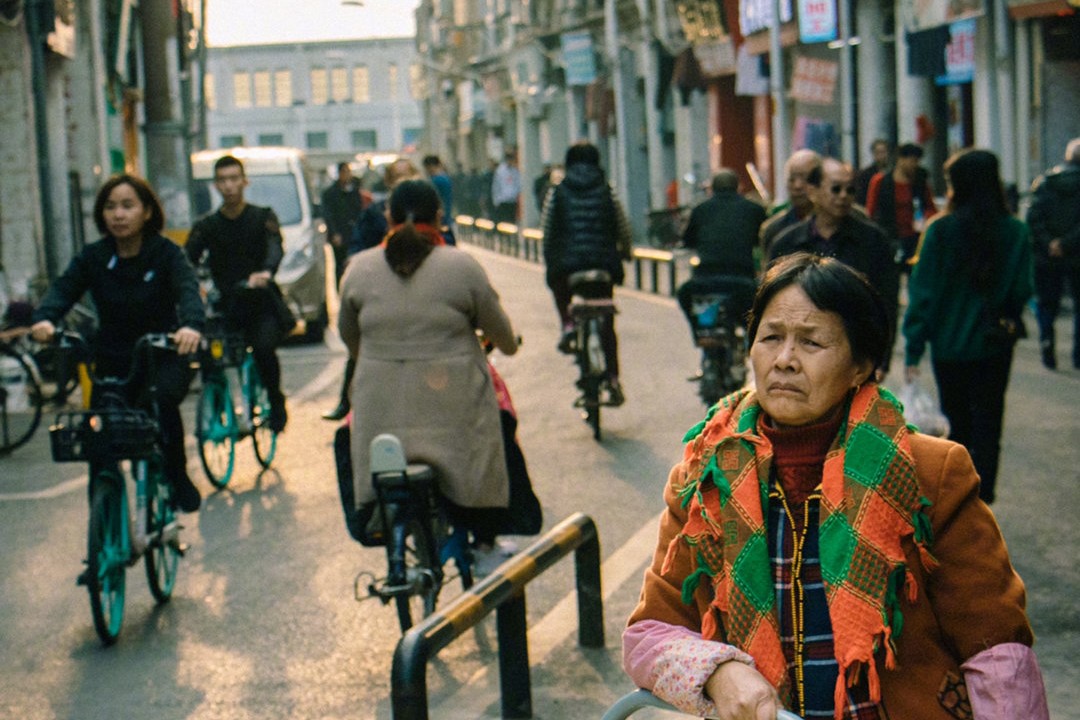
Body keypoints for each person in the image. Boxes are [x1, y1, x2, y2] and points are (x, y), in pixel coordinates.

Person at [622, 252, 1049, 720]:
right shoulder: (705, 476)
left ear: (861, 365)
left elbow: (996, 651)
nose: (784, 360)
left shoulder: (930, 472)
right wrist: (720, 670)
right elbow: (650, 633)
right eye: (770, 338)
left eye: (811, 342)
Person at [338, 179, 520, 567]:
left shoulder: (358, 270)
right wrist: (507, 343)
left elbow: (351, 341)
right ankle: (486, 540)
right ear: (439, 216)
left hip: (380, 417)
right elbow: (502, 337)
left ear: (387, 217)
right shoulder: (461, 266)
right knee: (499, 427)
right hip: (452, 412)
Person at [30, 174, 204, 513]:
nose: (118, 215)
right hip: (111, 359)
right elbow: (64, 288)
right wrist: (45, 319)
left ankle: (177, 474)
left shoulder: (166, 254)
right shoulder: (94, 256)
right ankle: (102, 548)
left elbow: (187, 290)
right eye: (110, 207)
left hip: (162, 353)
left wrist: (191, 327)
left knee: (163, 403)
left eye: (127, 206)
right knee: (100, 440)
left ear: (147, 212)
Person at [904, 148, 1034, 504]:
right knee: (990, 421)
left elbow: (923, 294)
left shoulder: (940, 231)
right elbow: (1023, 288)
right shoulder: (1016, 232)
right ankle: (984, 493)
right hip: (995, 344)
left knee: (956, 422)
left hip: (948, 347)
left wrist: (914, 348)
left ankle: (960, 498)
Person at [186, 154, 289, 433]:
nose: (229, 186)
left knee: (265, 349)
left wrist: (265, 272)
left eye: (234, 179)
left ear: (244, 182)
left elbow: (274, 247)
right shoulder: (207, 225)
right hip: (227, 305)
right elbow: (187, 260)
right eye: (222, 180)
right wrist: (190, 284)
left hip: (260, 302)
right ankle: (219, 407)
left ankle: (276, 402)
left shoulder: (262, 216)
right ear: (215, 185)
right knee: (209, 355)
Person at [769, 158, 899, 372]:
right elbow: (771, 305)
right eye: (836, 189)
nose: (843, 196)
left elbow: (885, 303)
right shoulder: (787, 242)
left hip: (854, 356)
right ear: (813, 191)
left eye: (850, 190)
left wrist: (881, 360)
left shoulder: (873, 240)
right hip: (798, 357)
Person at [324, 158, 427, 421]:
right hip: (383, 291)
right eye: (397, 178)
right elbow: (358, 244)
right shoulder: (375, 213)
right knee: (361, 344)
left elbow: (447, 243)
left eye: (408, 176)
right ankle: (346, 403)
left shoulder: (428, 209)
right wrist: (356, 261)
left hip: (422, 290)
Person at [541, 141, 632, 406]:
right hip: (603, 265)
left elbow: (548, 232)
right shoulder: (607, 191)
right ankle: (613, 380)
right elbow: (622, 226)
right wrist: (625, 252)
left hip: (568, 266)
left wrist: (551, 259)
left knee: (559, 287)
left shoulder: (558, 191)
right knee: (606, 323)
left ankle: (568, 324)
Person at [676, 169, 765, 343]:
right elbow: (761, 238)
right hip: (743, 281)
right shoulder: (754, 209)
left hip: (705, 281)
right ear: (738, 187)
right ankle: (751, 344)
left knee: (684, 294)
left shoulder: (700, 210)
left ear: (712, 188)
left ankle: (700, 334)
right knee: (754, 314)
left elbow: (687, 240)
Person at [1026, 137, 1080, 370]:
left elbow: (1033, 217)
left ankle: (1047, 344)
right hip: (1076, 255)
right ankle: (1078, 354)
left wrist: (1050, 242)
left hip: (1046, 257)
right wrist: (1067, 243)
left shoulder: (1045, 182)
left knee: (1047, 304)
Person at [866, 142, 938, 274]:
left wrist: (926, 219)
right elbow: (871, 209)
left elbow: (930, 206)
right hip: (890, 235)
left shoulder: (920, 181)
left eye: (917, 161)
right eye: (912, 160)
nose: (914, 165)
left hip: (914, 236)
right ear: (901, 159)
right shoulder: (881, 181)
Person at [759, 149, 822, 256]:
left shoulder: (840, 223)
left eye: (804, 178)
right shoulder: (773, 230)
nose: (797, 186)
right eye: (792, 179)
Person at [321, 162, 363, 284]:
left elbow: (358, 210)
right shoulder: (330, 193)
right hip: (339, 233)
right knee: (340, 265)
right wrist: (334, 233)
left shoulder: (354, 191)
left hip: (353, 233)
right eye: (345, 172)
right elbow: (328, 215)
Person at [853, 138, 891, 206]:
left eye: (883, 152)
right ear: (873, 154)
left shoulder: (893, 172)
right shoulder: (865, 174)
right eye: (878, 152)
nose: (881, 156)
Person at [491, 148, 522, 224]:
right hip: (503, 200)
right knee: (504, 222)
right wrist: (496, 200)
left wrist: (516, 193)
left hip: (512, 200)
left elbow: (519, 184)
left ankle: (511, 236)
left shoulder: (515, 171)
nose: (510, 161)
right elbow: (496, 186)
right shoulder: (500, 171)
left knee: (511, 221)